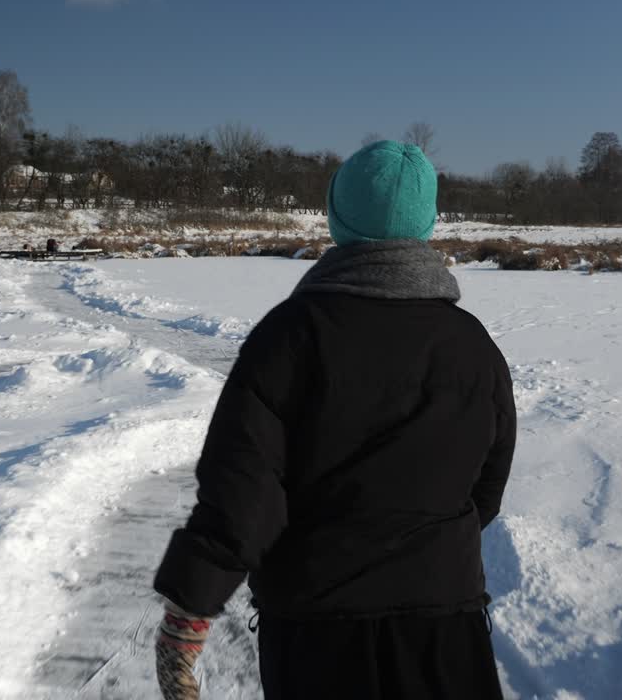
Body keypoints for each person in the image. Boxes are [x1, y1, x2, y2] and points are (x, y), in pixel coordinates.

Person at [153, 140, 516, 700]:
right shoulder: (474, 348)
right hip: (445, 630)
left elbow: (242, 491)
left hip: (318, 637)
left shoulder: (290, 336)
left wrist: (189, 612)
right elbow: (484, 490)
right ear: (426, 224)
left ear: (338, 216)